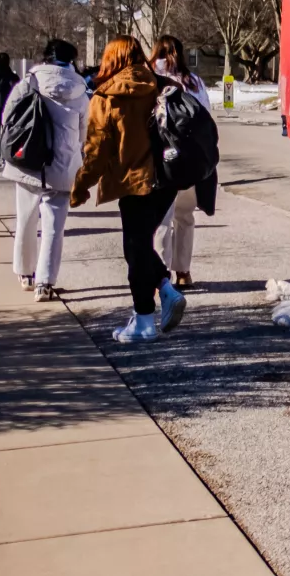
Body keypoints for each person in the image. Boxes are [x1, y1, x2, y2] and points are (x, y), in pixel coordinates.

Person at [71, 35, 185, 344]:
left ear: (111, 58)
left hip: (133, 181)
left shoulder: (106, 96)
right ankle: (164, 287)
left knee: (135, 250)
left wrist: (81, 186)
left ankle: (144, 320)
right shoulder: (162, 85)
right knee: (138, 245)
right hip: (167, 178)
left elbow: (96, 151)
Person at [3, 38, 89, 300]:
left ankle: (24, 272)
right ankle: (45, 282)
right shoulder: (80, 89)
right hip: (62, 162)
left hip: (28, 158)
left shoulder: (29, 81)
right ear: (71, 59)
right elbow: (84, 131)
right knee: (54, 225)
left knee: (26, 218)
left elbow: (8, 117)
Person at [151, 35, 212, 289]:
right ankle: (183, 272)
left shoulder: (150, 78)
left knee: (161, 218)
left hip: (161, 158)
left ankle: (161, 273)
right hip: (189, 159)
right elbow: (206, 118)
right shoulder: (193, 81)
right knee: (185, 217)